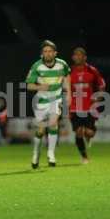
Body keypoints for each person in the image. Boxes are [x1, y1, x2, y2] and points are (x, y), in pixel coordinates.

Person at [26, 40, 71, 168]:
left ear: (55, 53)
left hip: (56, 99)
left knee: (52, 124)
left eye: (50, 51)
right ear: (42, 53)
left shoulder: (62, 64)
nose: (48, 53)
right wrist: (40, 86)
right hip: (41, 101)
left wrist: (68, 93)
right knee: (40, 130)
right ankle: (36, 154)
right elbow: (29, 85)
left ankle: (51, 154)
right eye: (45, 51)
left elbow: (67, 76)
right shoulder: (37, 66)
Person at [69, 47, 106, 164]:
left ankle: (89, 136)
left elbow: (101, 84)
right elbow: (64, 86)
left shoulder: (91, 70)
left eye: (80, 55)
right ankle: (84, 157)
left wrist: (98, 98)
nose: (78, 57)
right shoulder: (69, 71)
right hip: (74, 106)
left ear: (85, 57)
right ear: (73, 57)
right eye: (76, 55)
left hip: (89, 106)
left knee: (89, 132)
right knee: (79, 131)